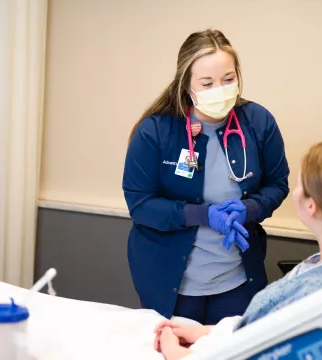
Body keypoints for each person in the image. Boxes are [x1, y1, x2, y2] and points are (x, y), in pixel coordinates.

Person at [153, 140, 322, 360]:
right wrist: (207, 332)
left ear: (312, 206)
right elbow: (267, 328)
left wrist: (173, 350)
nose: (294, 193)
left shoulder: (321, 292)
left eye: (299, 185)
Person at [122, 29, 290, 325]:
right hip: (171, 283)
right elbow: (141, 204)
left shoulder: (259, 122)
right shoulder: (156, 132)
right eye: (207, 83)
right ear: (186, 84)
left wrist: (250, 208)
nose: (221, 89)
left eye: (228, 79)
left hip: (237, 280)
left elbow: (278, 184)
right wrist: (204, 215)